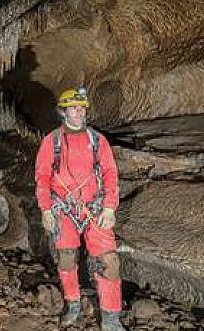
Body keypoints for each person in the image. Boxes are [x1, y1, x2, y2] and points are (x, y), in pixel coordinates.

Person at [35, 88, 126, 331]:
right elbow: (42, 176)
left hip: (95, 209)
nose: (80, 112)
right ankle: (73, 304)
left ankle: (110, 317)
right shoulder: (52, 141)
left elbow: (110, 173)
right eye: (75, 108)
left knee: (108, 260)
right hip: (62, 209)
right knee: (66, 259)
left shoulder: (97, 140)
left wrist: (109, 208)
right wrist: (45, 209)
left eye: (82, 108)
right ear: (63, 111)